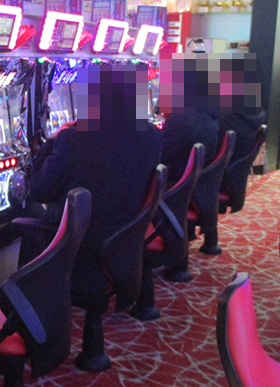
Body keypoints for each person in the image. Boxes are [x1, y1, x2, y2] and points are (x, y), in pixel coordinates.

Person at [21, 64, 162, 305]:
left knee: (28, 209)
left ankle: (31, 304)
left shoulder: (74, 139)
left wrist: (53, 140)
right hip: (126, 241)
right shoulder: (153, 135)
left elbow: (39, 190)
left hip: (82, 248)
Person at [161, 113, 219, 188]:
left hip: (177, 183)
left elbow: (161, 155)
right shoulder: (210, 115)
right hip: (200, 180)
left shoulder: (180, 117)